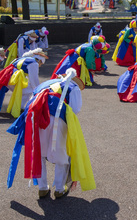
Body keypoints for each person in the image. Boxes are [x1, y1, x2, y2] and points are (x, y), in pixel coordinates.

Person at [6, 69, 95, 199]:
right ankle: (59, 189)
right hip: (57, 120)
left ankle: (42, 188)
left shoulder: (44, 84)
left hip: (36, 119)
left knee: (39, 154)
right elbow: (75, 109)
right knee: (61, 155)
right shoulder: (73, 86)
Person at [0, 48, 48, 117]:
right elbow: (33, 79)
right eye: (41, 63)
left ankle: (20, 107)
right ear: (40, 60)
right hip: (12, 78)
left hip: (9, 77)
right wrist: (39, 90)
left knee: (26, 90)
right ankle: (20, 107)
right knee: (30, 90)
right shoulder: (34, 63)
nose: (41, 65)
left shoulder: (25, 59)